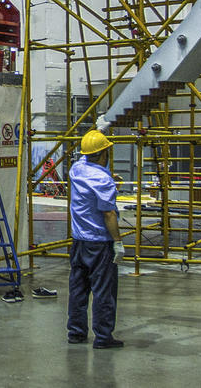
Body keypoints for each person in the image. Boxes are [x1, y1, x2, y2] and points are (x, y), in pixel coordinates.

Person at [67, 129, 124, 349]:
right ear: (104, 154)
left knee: (78, 288)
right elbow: (108, 213)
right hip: (100, 244)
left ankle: (76, 332)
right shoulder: (102, 179)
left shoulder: (76, 169)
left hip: (79, 241)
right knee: (103, 291)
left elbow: (87, 157)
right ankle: (103, 337)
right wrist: (117, 242)